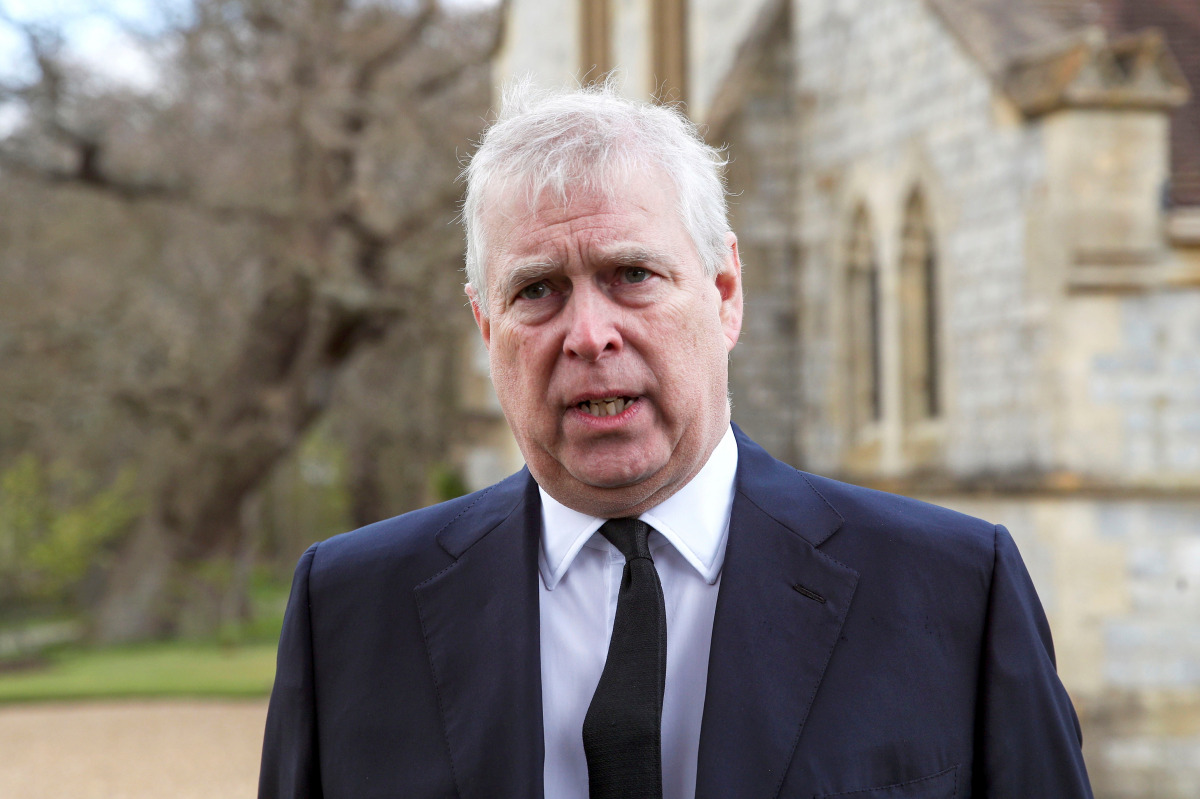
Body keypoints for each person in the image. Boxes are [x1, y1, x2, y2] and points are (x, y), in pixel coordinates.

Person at [259, 82, 1093, 799]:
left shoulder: (954, 591)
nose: (589, 334)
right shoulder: (350, 613)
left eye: (632, 275)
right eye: (538, 290)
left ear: (725, 293)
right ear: (486, 327)